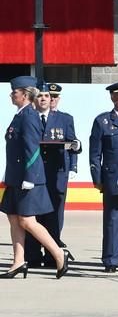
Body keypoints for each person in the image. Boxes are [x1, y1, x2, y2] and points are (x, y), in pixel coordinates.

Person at [0, 76, 69, 279]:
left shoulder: (29, 116)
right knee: (14, 218)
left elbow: (32, 149)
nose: (12, 94)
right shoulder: (20, 115)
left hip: (28, 178)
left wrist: (29, 177)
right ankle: (18, 261)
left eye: (15, 92)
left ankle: (58, 253)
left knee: (27, 220)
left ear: (24, 94)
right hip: (16, 177)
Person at [25, 82, 80, 268]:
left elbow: (73, 143)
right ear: (35, 98)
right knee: (33, 215)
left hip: (57, 174)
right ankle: (32, 255)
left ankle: (51, 255)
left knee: (54, 216)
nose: (44, 99)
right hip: (35, 174)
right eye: (40, 95)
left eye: (48, 96)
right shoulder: (28, 117)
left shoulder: (65, 119)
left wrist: (73, 166)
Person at [89, 81, 118, 272]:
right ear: (113, 98)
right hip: (113, 179)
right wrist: (97, 179)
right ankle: (111, 260)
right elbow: (95, 154)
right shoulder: (103, 121)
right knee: (113, 220)